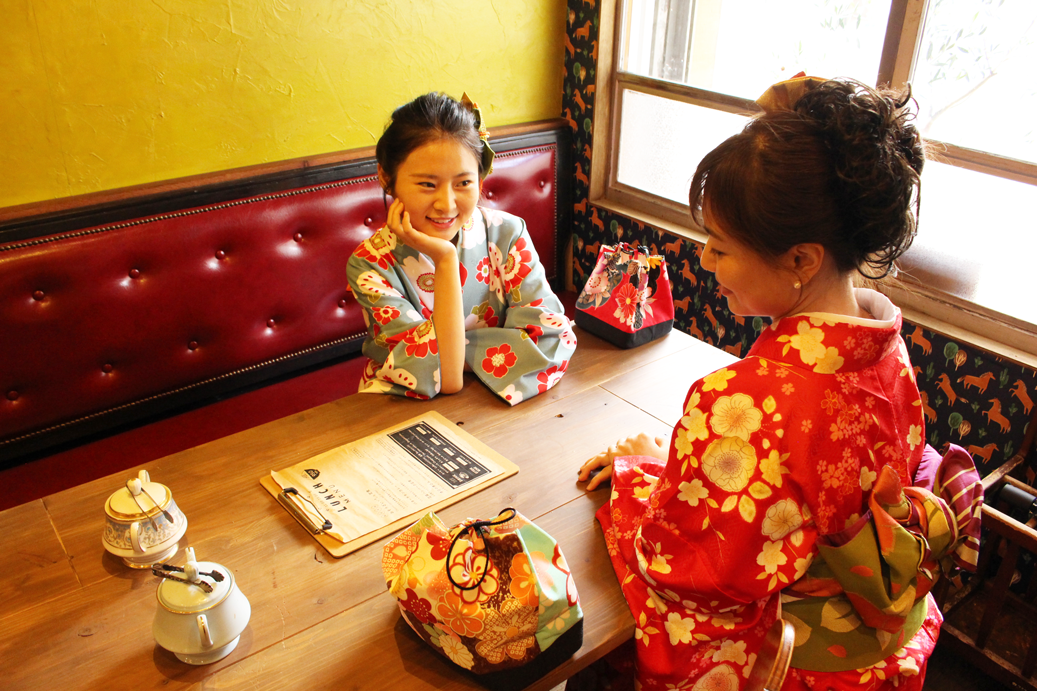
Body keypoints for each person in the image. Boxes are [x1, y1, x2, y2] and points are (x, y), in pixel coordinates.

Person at [576, 76, 982, 691]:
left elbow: (687, 567)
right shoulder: (885, 347)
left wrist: (640, 476)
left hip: (791, 664)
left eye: (718, 247)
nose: (706, 263)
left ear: (801, 259)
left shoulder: (746, 402)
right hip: (888, 641)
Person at [346, 92, 576, 404]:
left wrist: (450, 345)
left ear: (481, 177)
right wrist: (445, 259)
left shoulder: (506, 233)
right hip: (399, 407)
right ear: (387, 177)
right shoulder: (370, 263)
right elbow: (444, 377)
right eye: (427, 184)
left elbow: (552, 336)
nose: (447, 204)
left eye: (463, 183)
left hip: (489, 404)